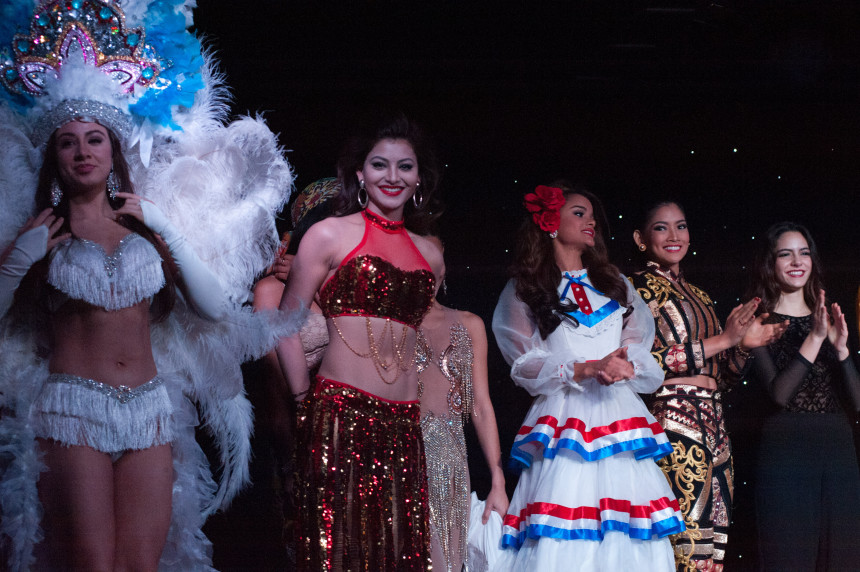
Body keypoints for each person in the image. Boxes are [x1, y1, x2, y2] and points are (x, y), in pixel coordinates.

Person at [0, 1, 295, 569]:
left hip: (150, 410)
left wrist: (166, 232)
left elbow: (213, 310)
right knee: (92, 564)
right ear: (54, 156)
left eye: (95, 139)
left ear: (113, 151)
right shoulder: (41, 233)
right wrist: (18, 261)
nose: (83, 152)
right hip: (72, 408)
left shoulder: (146, 228)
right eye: (68, 141)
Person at [277, 115, 444, 569]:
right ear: (360, 174)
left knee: (398, 553)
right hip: (340, 413)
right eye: (379, 164)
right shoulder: (328, 234)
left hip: (404, 425)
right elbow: (285, 325)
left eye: (405, 166)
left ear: (419, 179)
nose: (393, 176)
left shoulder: (431, 254)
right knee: (339, 551)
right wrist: (303, 401)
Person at [492, 183, 684, 571]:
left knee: (625, 521)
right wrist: (585, 368)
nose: (590, 221)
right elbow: (523, 365)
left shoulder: (614, 283)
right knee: (565, 513)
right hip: (566, 419)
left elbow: (641, 355)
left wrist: (626, 367)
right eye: (579, 213)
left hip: (618, 418)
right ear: (550, 222)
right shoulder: (528, 288)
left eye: (592, 215)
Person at [630, 201, 786, 571]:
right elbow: (639, 366)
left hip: (715, 427)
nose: (674, 236)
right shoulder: (633, 290)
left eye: (681, 226)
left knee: (714, 550)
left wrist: (743, 347)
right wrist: (723, 340)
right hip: (672, 423)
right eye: (661, 227)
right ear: (640, 238)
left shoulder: (700, 296)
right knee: (683, 545)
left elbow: (722, 379)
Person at [746, 222, 860, 570]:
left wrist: (842, 350)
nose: (797, 261)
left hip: (837, 449)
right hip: (786, 452)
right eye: (786, 254)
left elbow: (857, 404)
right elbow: (779, 395)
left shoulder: (829, 318)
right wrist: (814, 339)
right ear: (771, 263)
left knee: (842, 558)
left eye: (804, 253)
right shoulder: (759, 320)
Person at [415, 237, 509, 572]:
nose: (427, 266)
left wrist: (498, 480)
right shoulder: (388, 327)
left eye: (435, 257)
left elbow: (481, 406)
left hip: (450, 464)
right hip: (396, 454)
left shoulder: (468, 324)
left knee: (447, 560)